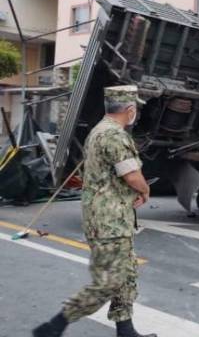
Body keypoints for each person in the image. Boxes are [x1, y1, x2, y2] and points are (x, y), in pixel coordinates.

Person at [33, 86, 156, 337]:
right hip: (108, 220)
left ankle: (125, 330)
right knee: (108, 282)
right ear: (130, 110)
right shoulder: (114, 135)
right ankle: (55, 325)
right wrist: (145, 191)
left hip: (112, 217)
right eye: (136, 109)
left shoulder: (99, 131)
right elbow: (132, 175)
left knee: (126, 273)